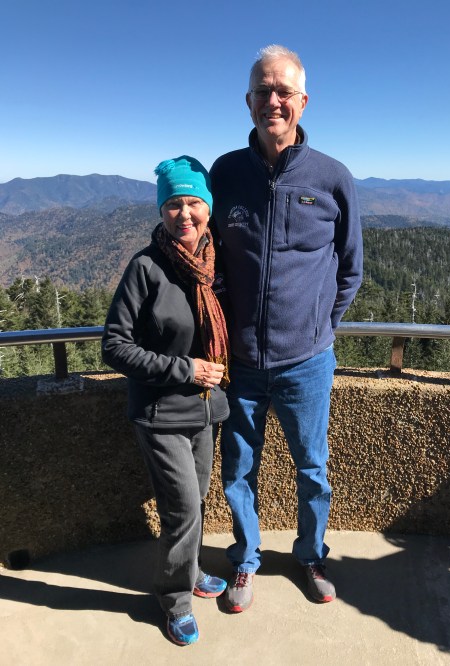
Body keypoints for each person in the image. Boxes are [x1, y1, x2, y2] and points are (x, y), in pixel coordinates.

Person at [209, 45, 363, 612]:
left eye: (283, 91)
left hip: (307, 361)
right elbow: (210, 260)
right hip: (241, 363)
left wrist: (319, 326)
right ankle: (245, 560)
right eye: (262, 91)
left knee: (313, 468)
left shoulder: (332, 177)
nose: (272, 101)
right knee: (238, 470)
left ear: (303, 101)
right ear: (247, 101)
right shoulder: (225, 172)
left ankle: (311, 555)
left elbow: (350, 268)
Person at [102, 156, 230, 646]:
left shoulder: (215, 263)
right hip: (160, 413)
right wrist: (186, 369)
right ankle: (174, 598)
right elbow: (114, 345)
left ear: (209, 208)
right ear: (161, 210)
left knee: (197, 499)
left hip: (206, 409)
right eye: (173, 203)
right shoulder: (146, 267)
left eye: (194, 202)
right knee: (183, 509)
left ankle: (190, 571)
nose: (184, 213)